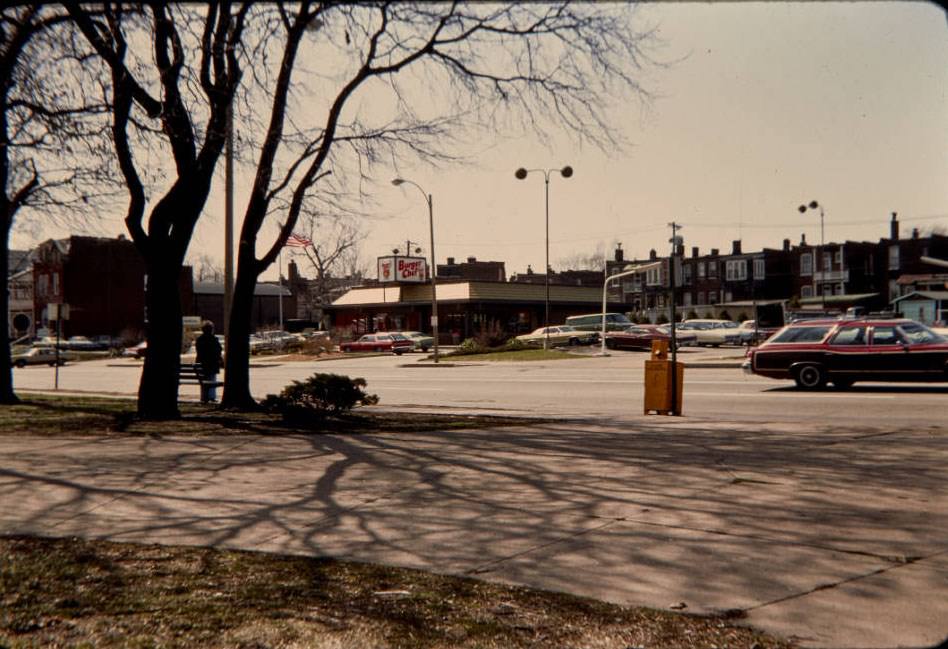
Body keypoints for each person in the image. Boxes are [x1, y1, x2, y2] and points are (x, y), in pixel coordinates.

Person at [195, 321, 223, 403]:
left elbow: (198, 351)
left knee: (203, 380)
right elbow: (218, 350)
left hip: (201, 364)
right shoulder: (213, 339)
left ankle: (204, 396)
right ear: (211, 330)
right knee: (212, 379)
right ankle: (211, 397)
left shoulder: (199, 340)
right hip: (212, 364)